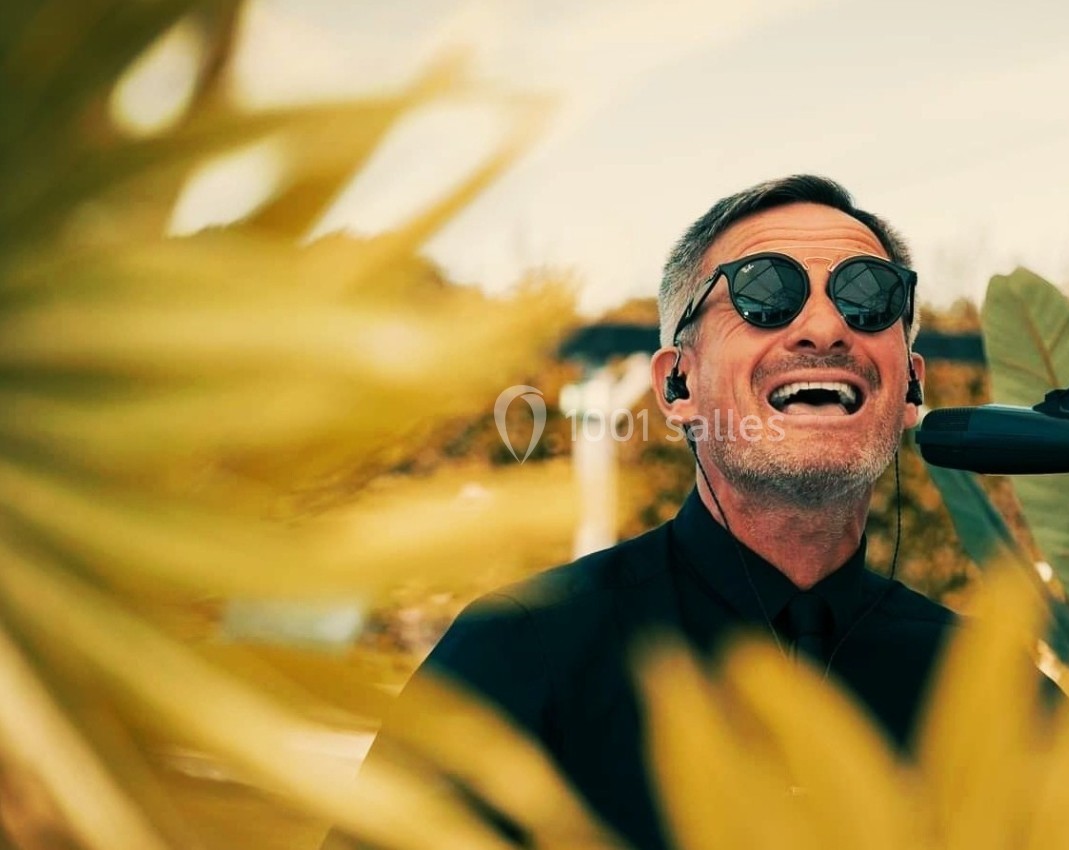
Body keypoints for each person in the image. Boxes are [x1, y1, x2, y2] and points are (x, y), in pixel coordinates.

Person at [376, 175, 955, 850]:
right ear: (677, 385)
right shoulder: (518, 653)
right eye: (765, 294)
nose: (826, 327)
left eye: (868, 297)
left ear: (912, 385)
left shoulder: (992, 694)